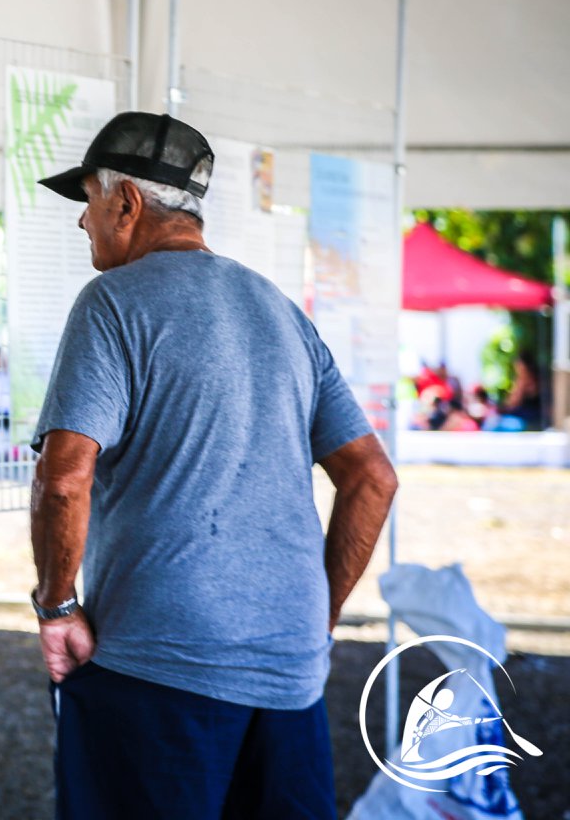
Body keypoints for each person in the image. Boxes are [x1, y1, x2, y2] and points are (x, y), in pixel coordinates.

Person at [27, 112, 397, 818]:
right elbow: (373, 478)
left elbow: (64, 477)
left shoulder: (113, 303)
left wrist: (57, 606)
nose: (82, 221)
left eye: (88, 200)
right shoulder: (280, 310)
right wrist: (317, 616)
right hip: (291, 673)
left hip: (158, 664)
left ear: (126, 203)